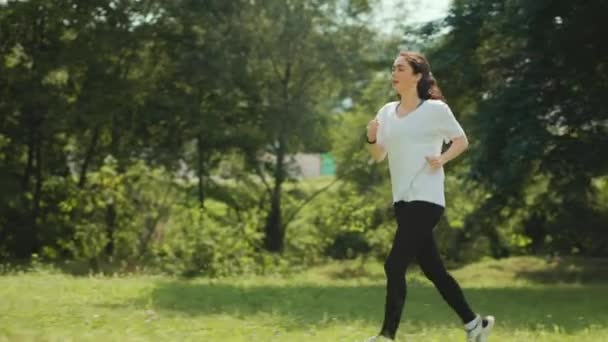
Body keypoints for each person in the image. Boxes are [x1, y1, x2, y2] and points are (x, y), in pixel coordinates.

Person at [363, 51, 495, 342]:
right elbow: (378, 156)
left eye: (400, 68)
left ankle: (387, 335)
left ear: (417, 75)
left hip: (427, 197)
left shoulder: (435, 110)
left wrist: (442, 158)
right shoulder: (386, 112)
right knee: (433, 269)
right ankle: (475, 324)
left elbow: (461, 140)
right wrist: (372, 137)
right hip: (402, 199)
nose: (394, 73)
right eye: (393, 68)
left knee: (394, 264)